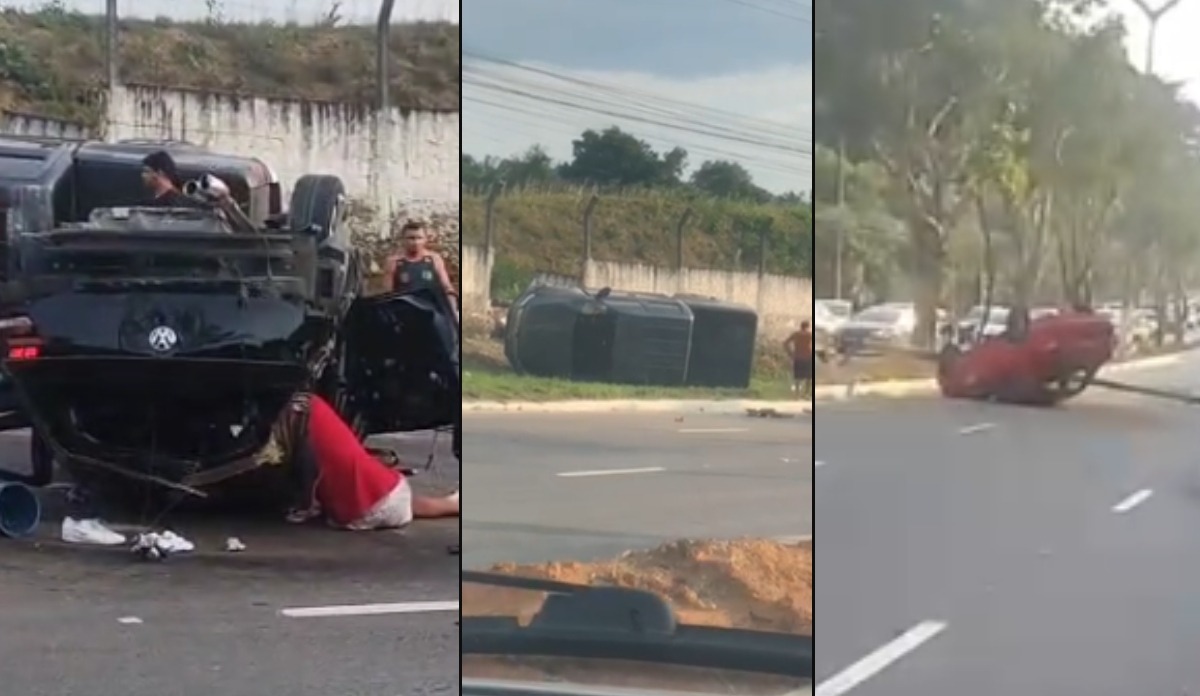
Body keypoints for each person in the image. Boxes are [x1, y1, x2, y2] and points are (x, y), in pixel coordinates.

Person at [259, 392, 459, 530]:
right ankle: (455, 503)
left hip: (365, 505)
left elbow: (301, 470)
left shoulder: (298, 415)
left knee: (399, 503)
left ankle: (456, 503)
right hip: (381, 490)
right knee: (402, 502)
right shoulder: (311, 408)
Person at [387, 220, 459, 321]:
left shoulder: (434, 259)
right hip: (405, 314)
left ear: (425, 239)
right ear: (403, 240)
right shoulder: (394, 262)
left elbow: (447, 287)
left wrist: (453, 312)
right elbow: (388, 295)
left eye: (419, 238)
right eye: (411, 238)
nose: (415, 242)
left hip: (432, 314)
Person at [784, 322, 814, 400]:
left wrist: (790, 353)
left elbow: (785, 343)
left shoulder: (796, 334)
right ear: (807, 326)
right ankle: (807, 394)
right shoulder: (809, 334)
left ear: (801, 326)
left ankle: (797, 395)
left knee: (798, 376)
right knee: (809, 377)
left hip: (798, 356)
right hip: (808, 356)